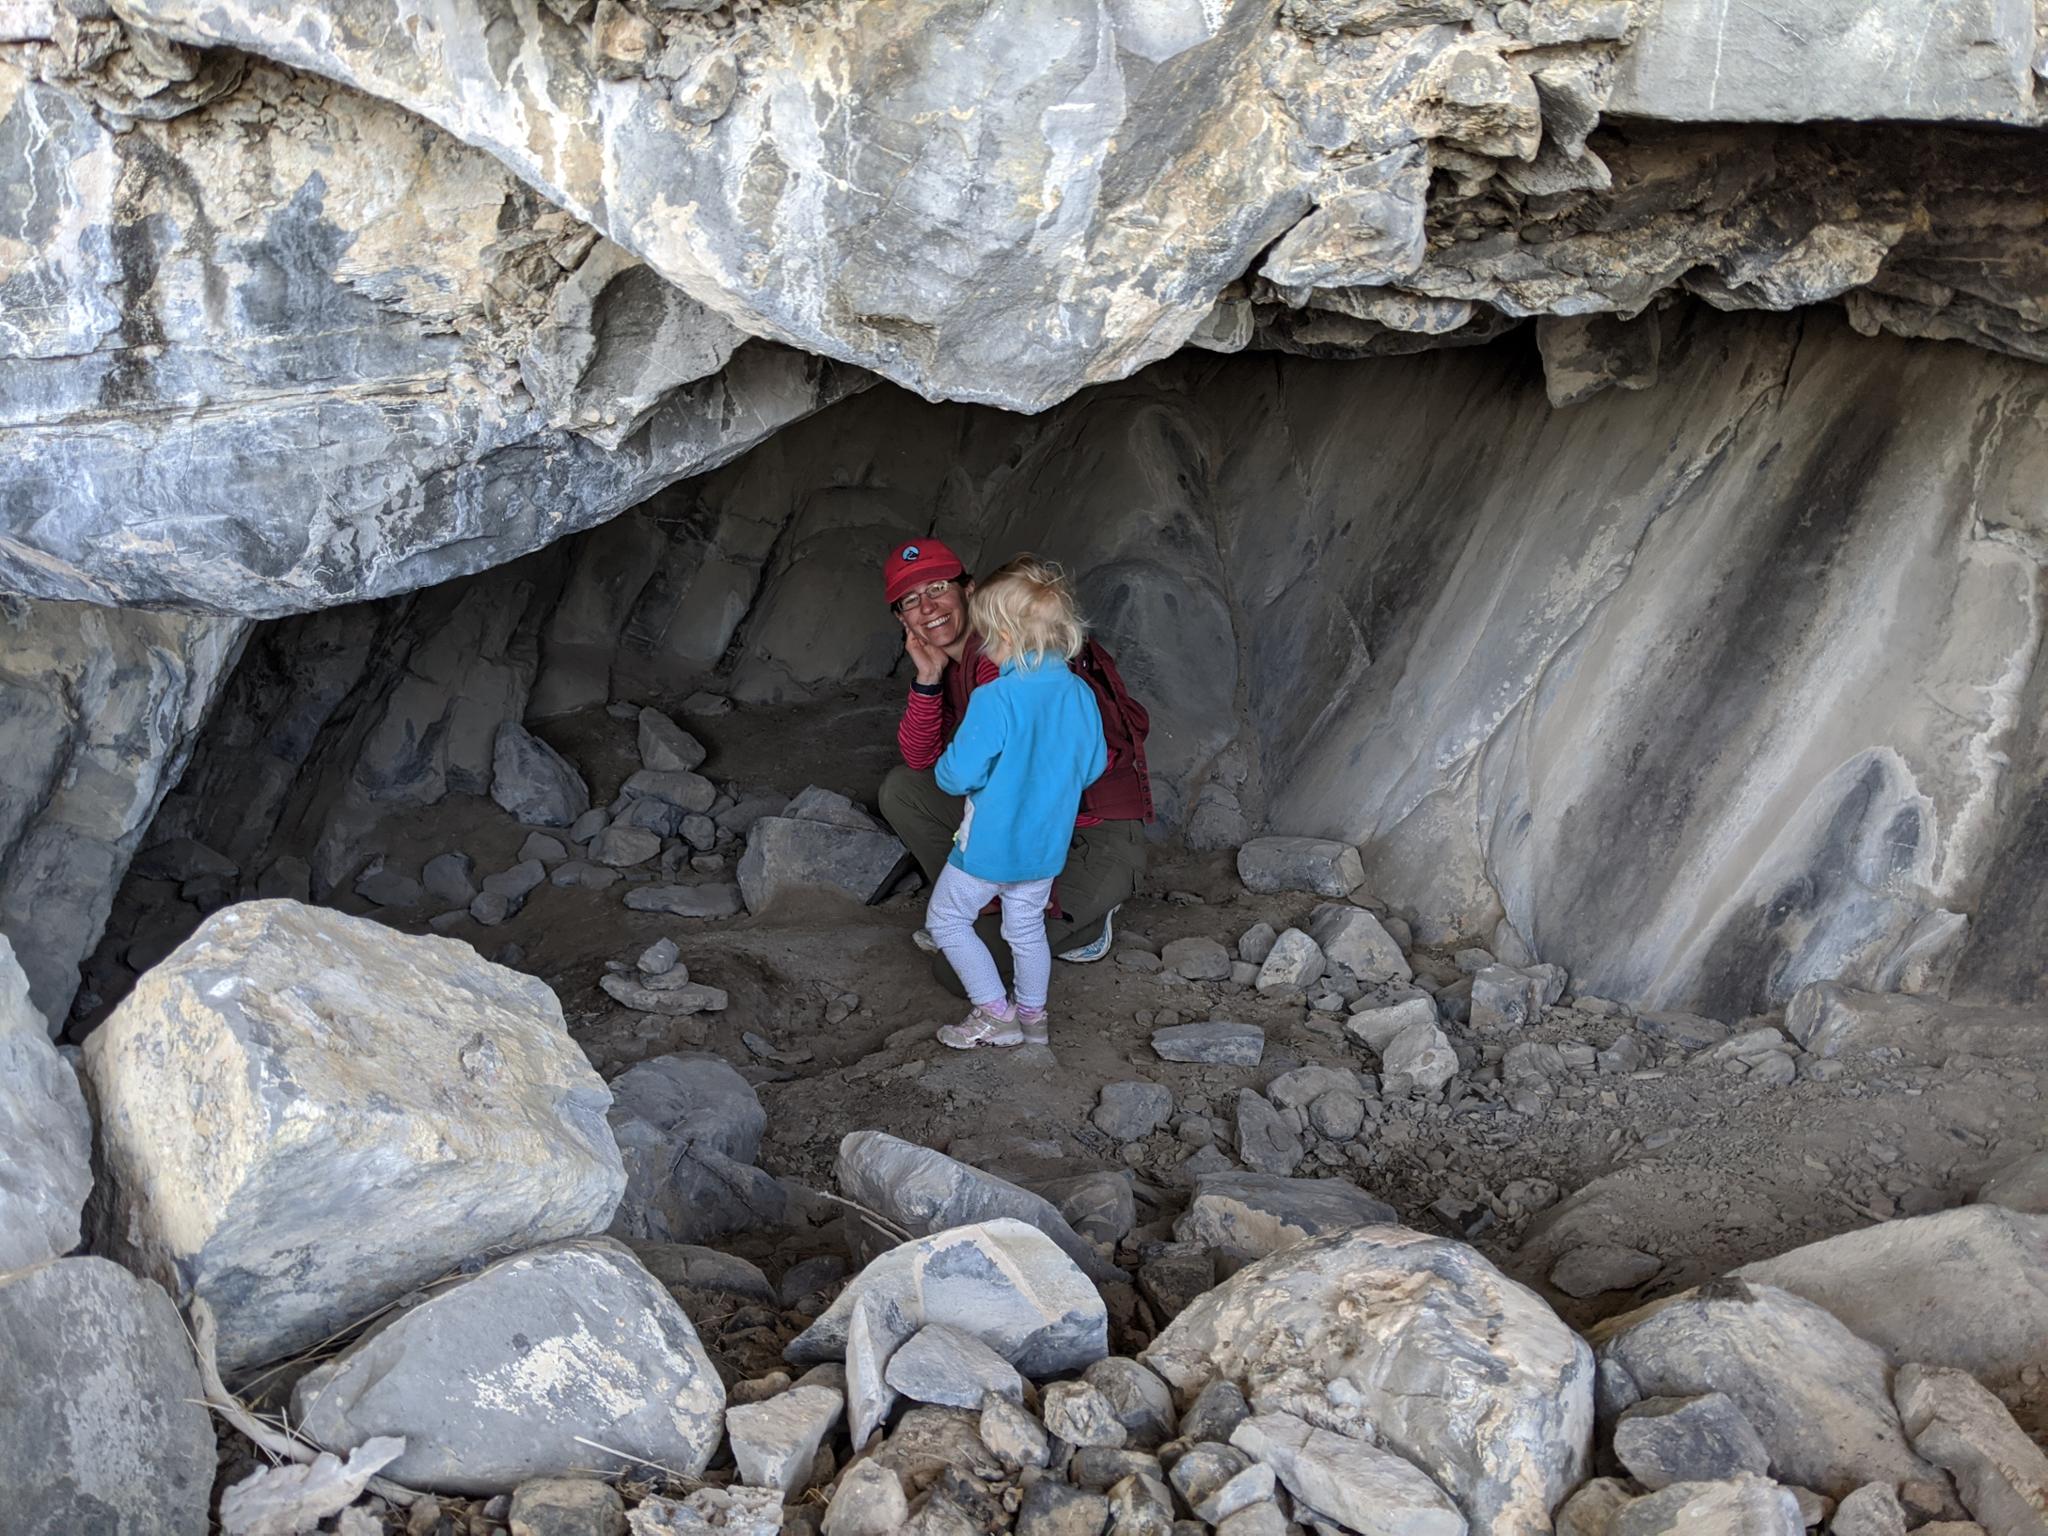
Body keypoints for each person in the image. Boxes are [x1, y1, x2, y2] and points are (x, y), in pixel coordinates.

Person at [876, 536, 1153, 992]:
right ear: (902, 618)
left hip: (1089, 837)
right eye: (910, 600)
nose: (927, 607)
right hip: (1027, 823)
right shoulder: (965, 664)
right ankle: (988, 908)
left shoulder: (1007, 664)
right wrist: (928, 678)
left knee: (957, 971)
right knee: (904, 790)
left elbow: (981, 775)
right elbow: (920, 759)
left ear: (969, 590)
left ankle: (1086, 921)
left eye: (938, 588)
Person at [924, 559, 1107, 1048]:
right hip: (1045, 848)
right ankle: (1032, 1021)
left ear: (1004, 635)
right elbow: (1092, 768)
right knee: (1025, 931)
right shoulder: (1080, 694)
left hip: (988, 846)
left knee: (946, 920)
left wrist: (970, 772)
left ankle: (995, 1014)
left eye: (986, 633)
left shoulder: (996, 698)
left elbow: (955, 776)